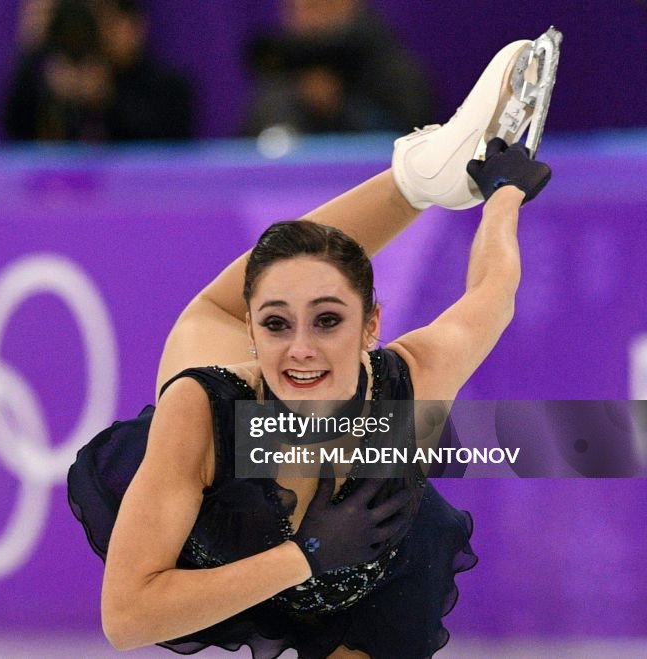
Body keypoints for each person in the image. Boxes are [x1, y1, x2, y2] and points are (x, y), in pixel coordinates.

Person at [69, 32, 555, 659]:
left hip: (370, 574)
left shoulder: (413, 383)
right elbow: (127, 618)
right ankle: (416, 178)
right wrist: (305, 556)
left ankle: (422, 178)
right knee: (256, 290)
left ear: (371, 326)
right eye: (274, 324)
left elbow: (493, 293)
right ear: (250, 329)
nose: (300, 349)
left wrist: (505, 194)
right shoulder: (202, 411)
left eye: (328, 322)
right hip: (228, 494)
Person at [1, 0, 195, 142]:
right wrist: (31, 49)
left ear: (135, 24)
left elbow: (168, 148)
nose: (102, 30)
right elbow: (14, 128)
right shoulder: (55, 76)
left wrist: (106, 99)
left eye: (109, 17)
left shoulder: (169, 87)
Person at [243, 0, 433, 136]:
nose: (310, 20)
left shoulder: (392, 71)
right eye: (298, 9)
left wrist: (338, 109)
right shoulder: (280, 73)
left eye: (318, 6)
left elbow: (410, 147)